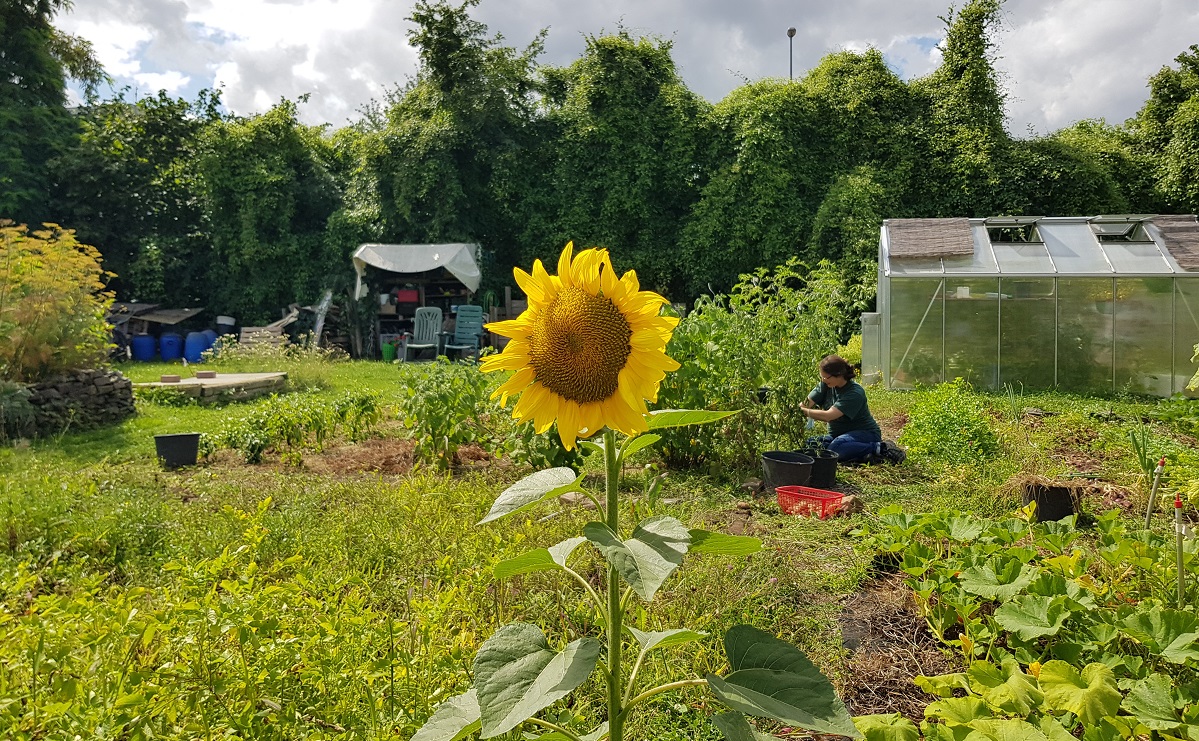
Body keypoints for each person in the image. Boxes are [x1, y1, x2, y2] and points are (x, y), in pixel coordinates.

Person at [800, 354, 905, 465]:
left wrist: (805, 412)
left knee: (835, 448)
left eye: (826, 377)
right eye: (822, 377)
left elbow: (828, 416)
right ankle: (862, 456)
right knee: (811, 444)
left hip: (865, 434)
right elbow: (806, 403)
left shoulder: (854, 393)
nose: (823, 380)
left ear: (839, 375)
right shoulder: (826, 384)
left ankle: (881, 448)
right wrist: (794, 410)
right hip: (838, 436)